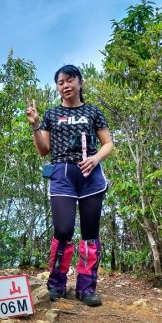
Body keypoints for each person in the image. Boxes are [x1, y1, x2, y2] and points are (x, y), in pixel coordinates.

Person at [26, 64, 113, 306]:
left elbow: (108, 144)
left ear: (80, 82)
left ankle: (86, 288)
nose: (65, 85)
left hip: (91, 175)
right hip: (62, 174)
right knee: (63, 230)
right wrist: (34, 124)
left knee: (90, 231)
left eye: (70, 80)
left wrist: (95, 159)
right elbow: (43, 150)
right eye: (60, 82)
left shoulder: (93, 111)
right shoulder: (51, 115)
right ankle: (56, 283)